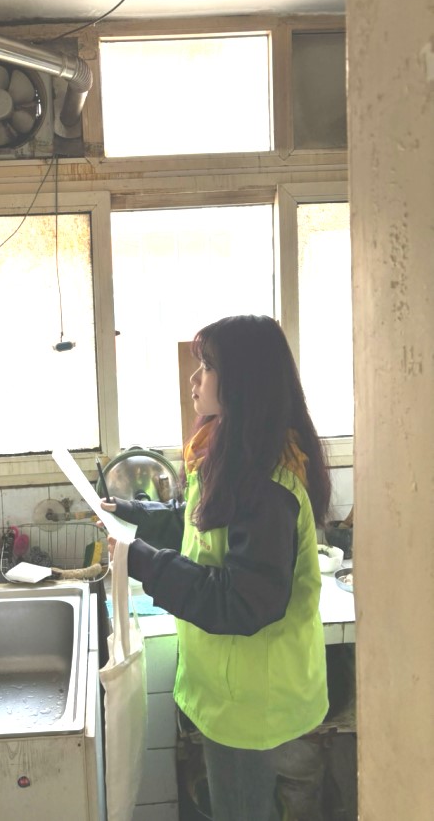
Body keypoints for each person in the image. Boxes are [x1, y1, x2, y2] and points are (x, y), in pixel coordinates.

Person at [101, 314, 331, 821]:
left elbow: (241, 600)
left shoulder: (268, 485)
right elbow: (199, 525)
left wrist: (144, 562)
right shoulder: (231, 452)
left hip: (253, 701)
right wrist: (134, 516)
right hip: (230, 692)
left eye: (206, 366)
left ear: (243, 382)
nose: (194, 378)